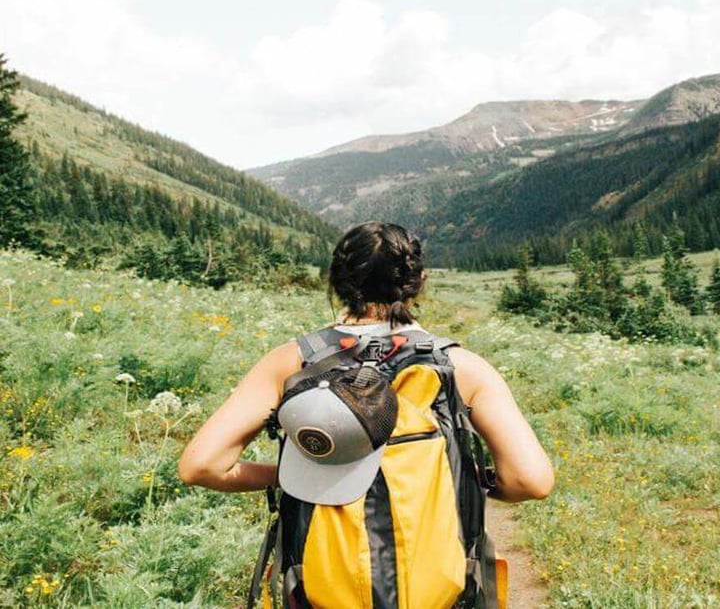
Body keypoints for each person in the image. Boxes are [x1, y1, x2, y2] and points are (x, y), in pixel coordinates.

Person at [178, 222, 554, 604]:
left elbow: (201, 466)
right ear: (418, 281)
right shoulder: (460, 366)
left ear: (336, 281)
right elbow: (531, 481)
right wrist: (466, 478)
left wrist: (292, 474)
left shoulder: (291, 362)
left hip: (322, 592)